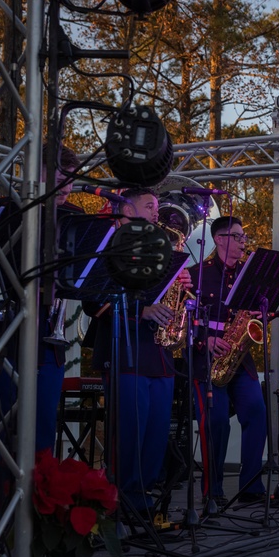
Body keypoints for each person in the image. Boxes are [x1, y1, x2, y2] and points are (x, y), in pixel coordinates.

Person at [0, 144, 82, 524]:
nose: (67, 185)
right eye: (59, 174)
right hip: (7, 337)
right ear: (36, 172)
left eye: (70, 178)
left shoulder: (73, 218)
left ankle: (38, 527)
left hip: (50, 343)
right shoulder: (7, 210)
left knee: (42, 437)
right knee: (5, 439)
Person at [82, 187, 192, 517]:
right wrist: (142, 311)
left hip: (158, 353)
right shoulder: (107, 244)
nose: (157, 212)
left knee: (157, 433)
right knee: (129, 433)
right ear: (127, 209)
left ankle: (143, 502)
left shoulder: (158, 248)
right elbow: (92, 301)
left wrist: (180, 284)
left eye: (157, 206)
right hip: (123, 349)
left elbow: (166, 300)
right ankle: (120, 504)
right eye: (149, 206)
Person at [187, 216, 267, 505]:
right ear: (220, 239)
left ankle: (251, 486)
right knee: (216, 420)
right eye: (238, 236)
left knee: (257, 412)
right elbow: (183, 320)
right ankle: (213, 489)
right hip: (205, 358)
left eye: (244, 236)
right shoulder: (197, 274)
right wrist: (204, 340)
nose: (244, 241)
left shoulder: (249, 275)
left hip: (240, 357)